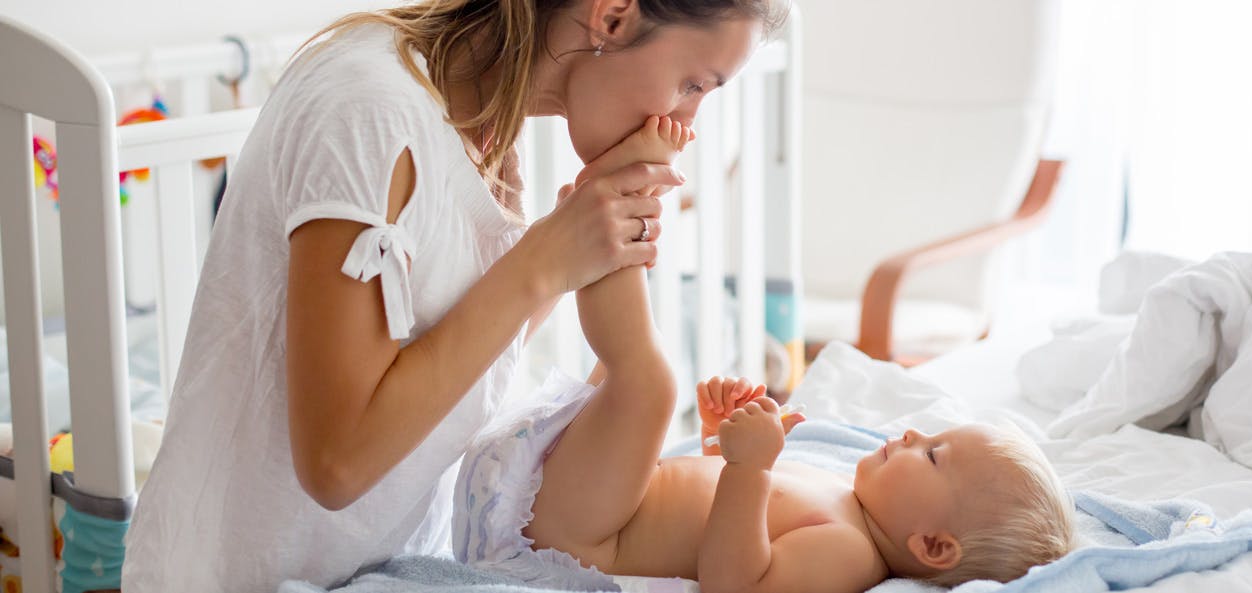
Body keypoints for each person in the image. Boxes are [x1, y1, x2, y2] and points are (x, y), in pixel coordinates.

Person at [122, 0, 785, 590]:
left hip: (392, 563)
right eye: (693, 83)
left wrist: (576, 245)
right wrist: (542, 262)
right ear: (612, 16)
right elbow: (336, 463)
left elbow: (453, 367)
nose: (688, 120)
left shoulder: (488, 131)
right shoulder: (370, 111)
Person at [454, 110, 1076, 592]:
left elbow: (735, 581)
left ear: (933, 546)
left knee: (646, 383)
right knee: (636, 379)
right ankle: (598, 227)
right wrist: (722, 443)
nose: (913, 433)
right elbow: (707, 513)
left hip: (585, 536)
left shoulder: (848, 556)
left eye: (936, 455)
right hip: (601, 503)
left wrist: (748, 471)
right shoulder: (843, 498)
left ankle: (613, 210)